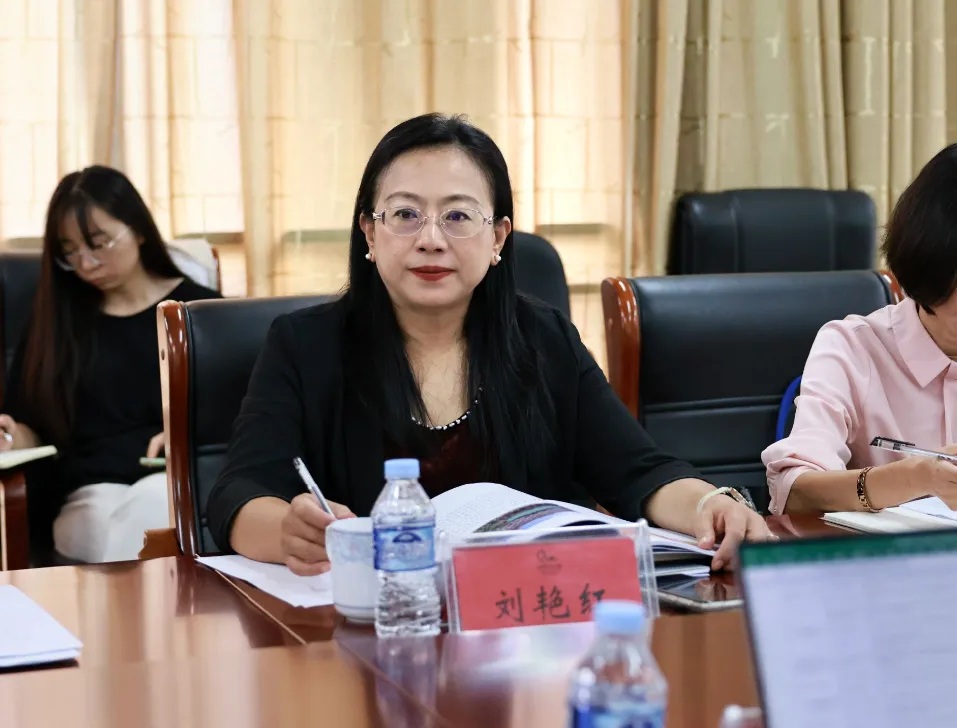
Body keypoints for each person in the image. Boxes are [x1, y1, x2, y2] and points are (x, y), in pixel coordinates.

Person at [208, 113, 770, 574]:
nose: (431, 239)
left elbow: (638, 471)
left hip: (525, 628)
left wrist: (709, 504)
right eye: (405, 214)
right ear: (370, 234)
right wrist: (288, 532)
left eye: (458, 215)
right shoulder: (305, 346)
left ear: (498, 237)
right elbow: (238, 493)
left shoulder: (543, 339)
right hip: (371, 628)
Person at [0, 165, 221, 563]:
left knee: (150, 506)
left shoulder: (198, 313)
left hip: (171, 481)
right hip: (87, 491)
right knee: (106, 520)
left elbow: (237, 414)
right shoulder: (56, 319)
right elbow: (34, 425)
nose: (86, 264)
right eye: (70, 252)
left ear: (138, 229)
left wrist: (187, 433)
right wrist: (14, 436)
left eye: (99, 244)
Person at [763, 143, 957, 515]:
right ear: (931, 264)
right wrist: (917, 478)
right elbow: (794, 492)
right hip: (890, 553)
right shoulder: (853, 349)